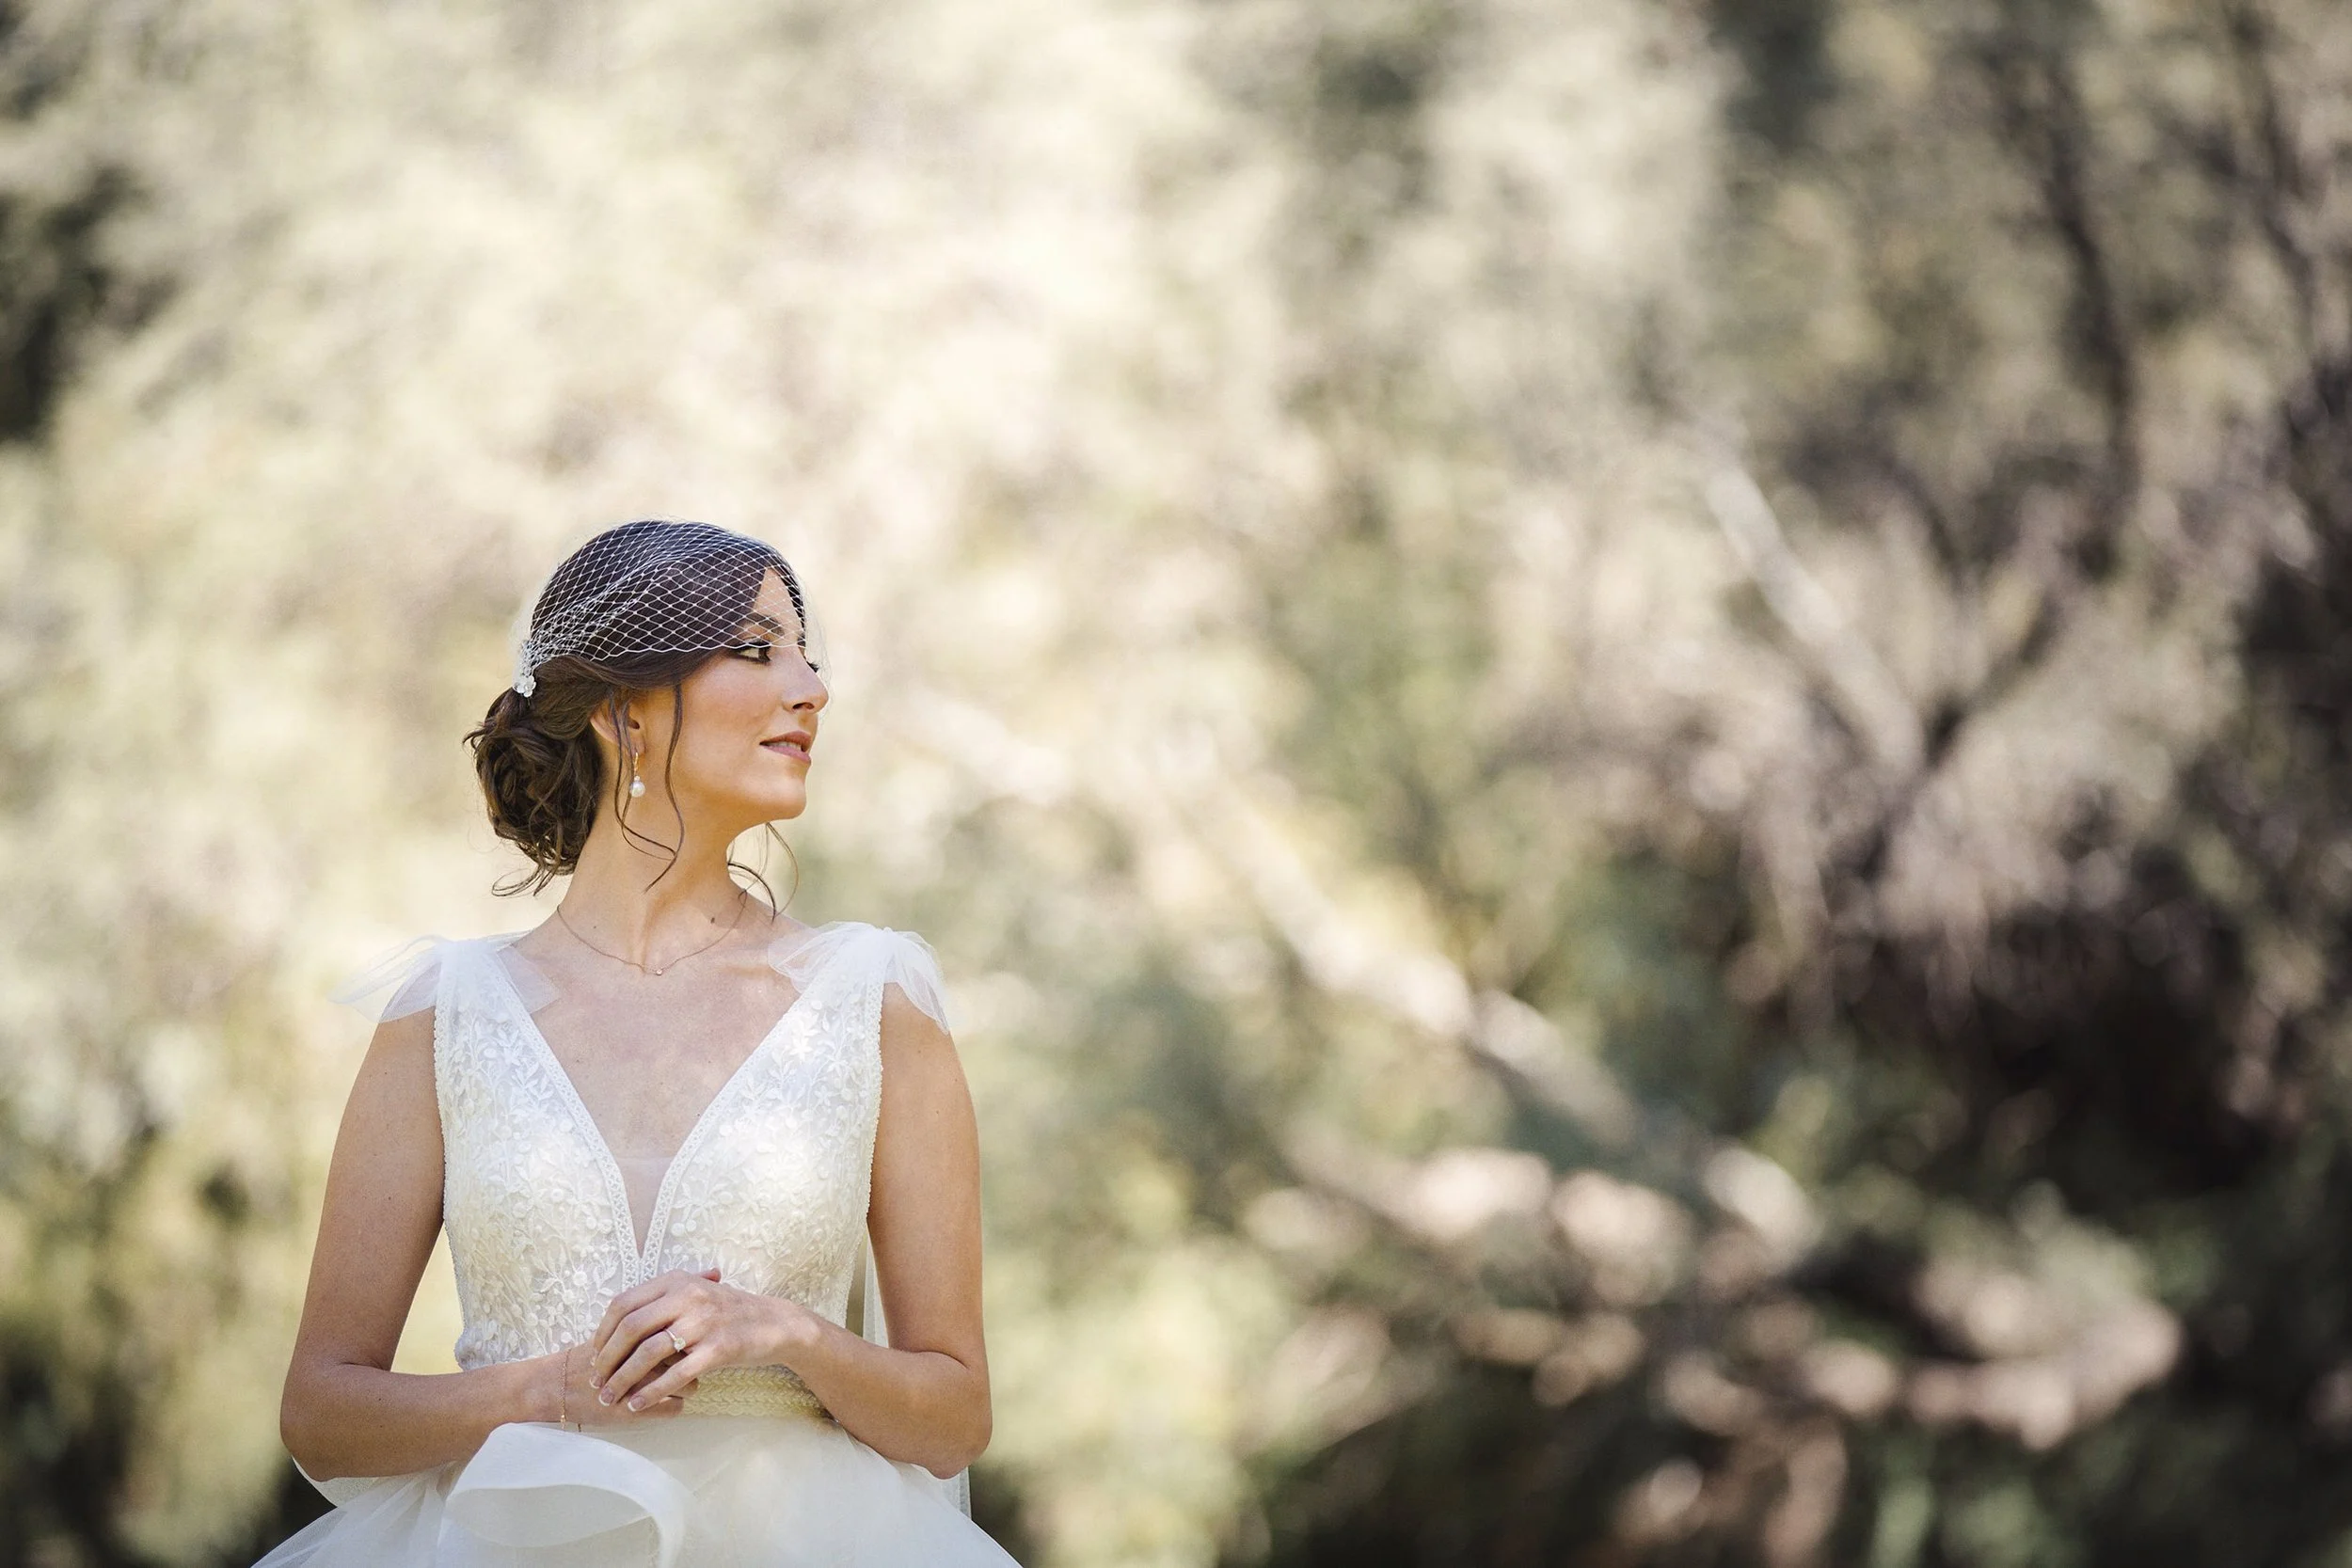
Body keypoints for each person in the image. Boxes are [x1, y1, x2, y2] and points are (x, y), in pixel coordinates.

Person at [256, 519, 1019, 1566]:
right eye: (757, 650)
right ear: (623, 710)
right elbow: (322, 1409)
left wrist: (785, 1334)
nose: (811, 688)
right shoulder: (444, 1015)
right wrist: (547, 1388)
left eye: (807, 654)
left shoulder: (877, 1002)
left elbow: (955, 1413)